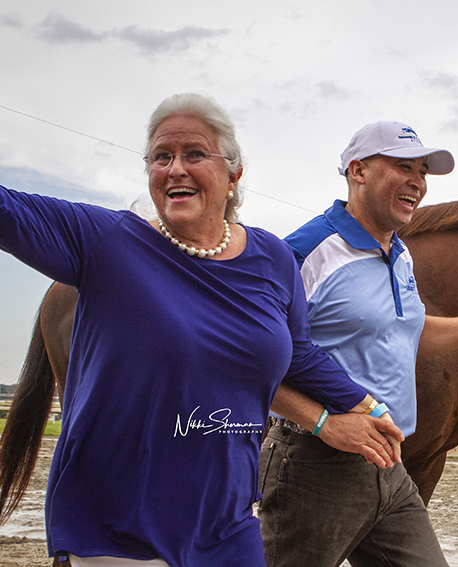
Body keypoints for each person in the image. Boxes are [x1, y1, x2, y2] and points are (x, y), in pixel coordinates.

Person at [0, 94, 402, 567]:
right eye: (161, 157)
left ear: (234, 175)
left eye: (194, 154)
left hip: (226, 527)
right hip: (118, 532)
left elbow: (296, 353)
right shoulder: (107, 243)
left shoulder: (272, 259)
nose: (175, 169)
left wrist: (366, 404)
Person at [257, 120, 458, 567]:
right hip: (313, 465)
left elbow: (410, 334)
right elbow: (253, 358)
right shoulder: (302, 252)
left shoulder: (399, 252)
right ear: (358, 170)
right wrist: (323, 424)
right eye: (402, 166)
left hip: (389, 465)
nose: (418, 182)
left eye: (423, 171)